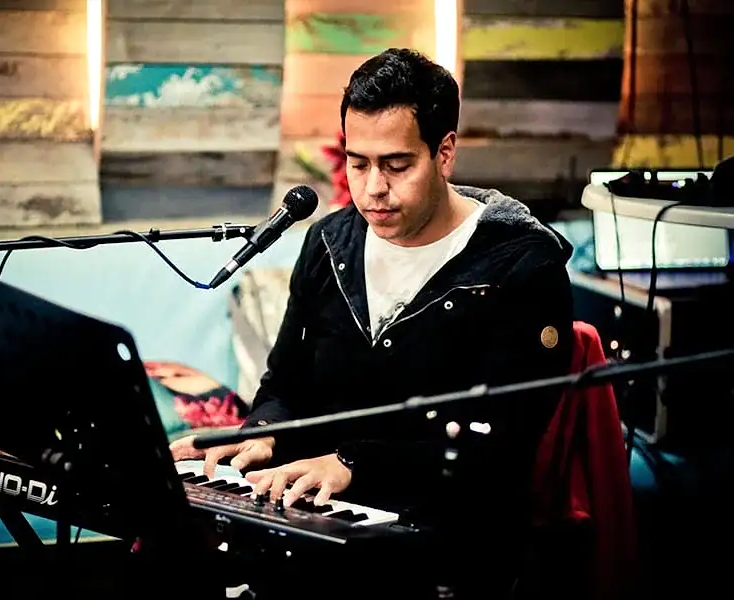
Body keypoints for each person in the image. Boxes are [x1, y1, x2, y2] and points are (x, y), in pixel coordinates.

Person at [171, 48, 575, 598]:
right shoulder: (329, 242)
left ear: (446, 153)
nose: (372, 189)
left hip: (443, 541)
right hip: (315, 520)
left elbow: (495, 443)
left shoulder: (521, 265)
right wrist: (261, 435)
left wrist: (352, 462)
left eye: (396, 165)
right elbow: (284, 383)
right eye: (357, 163)